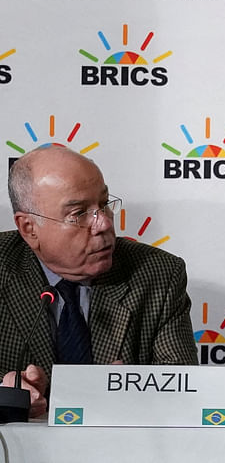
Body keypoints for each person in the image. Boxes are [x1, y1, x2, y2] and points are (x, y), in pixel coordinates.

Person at [0, 146, 197, 418]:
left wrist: (131, 390)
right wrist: (5, 394)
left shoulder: (158, 273)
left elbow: (183, 388)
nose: (103, 223)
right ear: (29, 228)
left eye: (104, 204)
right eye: (79, 213)